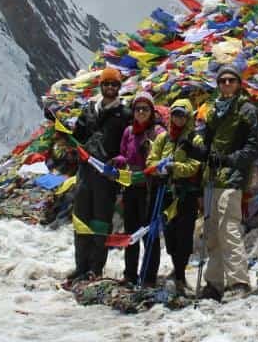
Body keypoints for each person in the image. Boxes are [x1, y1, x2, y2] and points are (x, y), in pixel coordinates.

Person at [199, 62, 258, 301]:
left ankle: (238, 282)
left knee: (229, 230)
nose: (226, 84)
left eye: (231, 80)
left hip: (233, 178)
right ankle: (214, 283)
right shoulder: (214, 111)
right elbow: (207, 142)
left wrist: (228, 159)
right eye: (222, 81)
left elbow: (254, 146)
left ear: (238, 84)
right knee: (212, 233)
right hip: (212, 178)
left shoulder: (247, 110)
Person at [68, 67, 132, 282]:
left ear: (119, 87)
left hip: (106, 177)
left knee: (101, 223)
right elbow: (77, 136)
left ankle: (96, 268)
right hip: (85, 174)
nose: (110, 88)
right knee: (81, 219)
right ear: (101, 86)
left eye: (114, 84)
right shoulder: (88, 110)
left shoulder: (124, 114)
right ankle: (80, 266)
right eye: (107, 84)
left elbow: (127, 144)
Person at [144, 98, 203, 294]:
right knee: (169, 234)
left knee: (184, 234)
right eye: (176, 114)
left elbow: (195, 166)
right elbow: (151, 160)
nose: (179, 119)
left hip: (186, 194)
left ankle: (180, 274)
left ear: (188, 117)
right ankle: (176, 269)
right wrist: (158, 168)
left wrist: (174, 167)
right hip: (166, 193)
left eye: (182, 115)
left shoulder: (195, 139)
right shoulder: (163, 138)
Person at [111, 90, 164, 285]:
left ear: (152, 111)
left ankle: (149, 277)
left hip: (150, 189)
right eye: (138, 109)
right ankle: (130, 274)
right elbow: (125, 155)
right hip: (131, 187)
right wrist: (119, 160)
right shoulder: (129, 132)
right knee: (131, 232)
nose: (141, 112)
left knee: (149, 234)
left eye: (145, 109)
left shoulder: (158, 133)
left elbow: (162, 158)